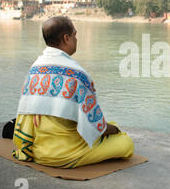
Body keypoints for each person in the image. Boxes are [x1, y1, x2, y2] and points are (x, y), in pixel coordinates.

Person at [11, 16, 134, 168]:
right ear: (66, 38)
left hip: (38, 150)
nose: (76, 39)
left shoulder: (35, 68)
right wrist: (115, 130)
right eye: (75, 35)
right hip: (64, 154)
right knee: (125, 143)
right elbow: (96, 126)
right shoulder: (77, 74)